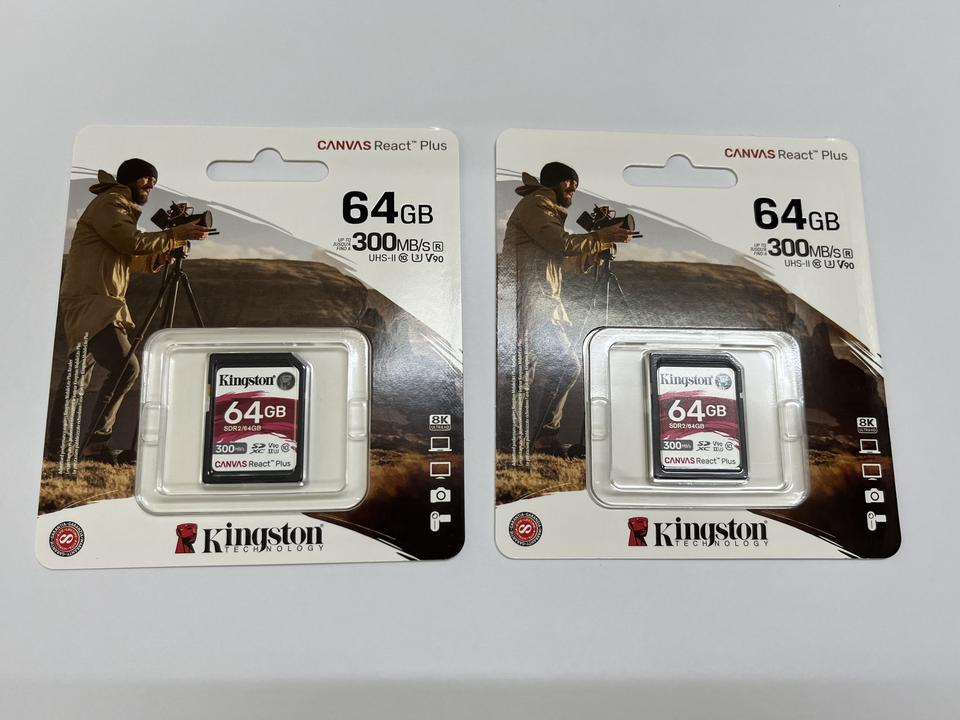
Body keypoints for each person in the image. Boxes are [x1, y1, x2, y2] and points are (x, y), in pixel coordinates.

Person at [46, 158, 208, 463]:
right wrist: (176, 234)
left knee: (77, 376)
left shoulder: (118, 208)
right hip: (94, 302)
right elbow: (131, 242)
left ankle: (60, 448)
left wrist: (160, 257)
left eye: (154, 183)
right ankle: (94, 443)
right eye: (147, 180)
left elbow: (127, 257)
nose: (150, 187)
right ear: (130, 178)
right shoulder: (111, 203)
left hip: (98, 301)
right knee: (126, 367)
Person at [503, 162, 632, 453]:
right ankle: (541, 437)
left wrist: (596, 250)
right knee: (563, 366)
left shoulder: (545, 209)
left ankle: (520, 439)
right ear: (556, 182)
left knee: (525, 374)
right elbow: (560, 244)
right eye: (569, 184)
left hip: (536, 300)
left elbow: (555, 260)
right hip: (530, 301)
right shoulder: (537, 204)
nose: (573, 189)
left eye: (575, 185)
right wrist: (600, 237)